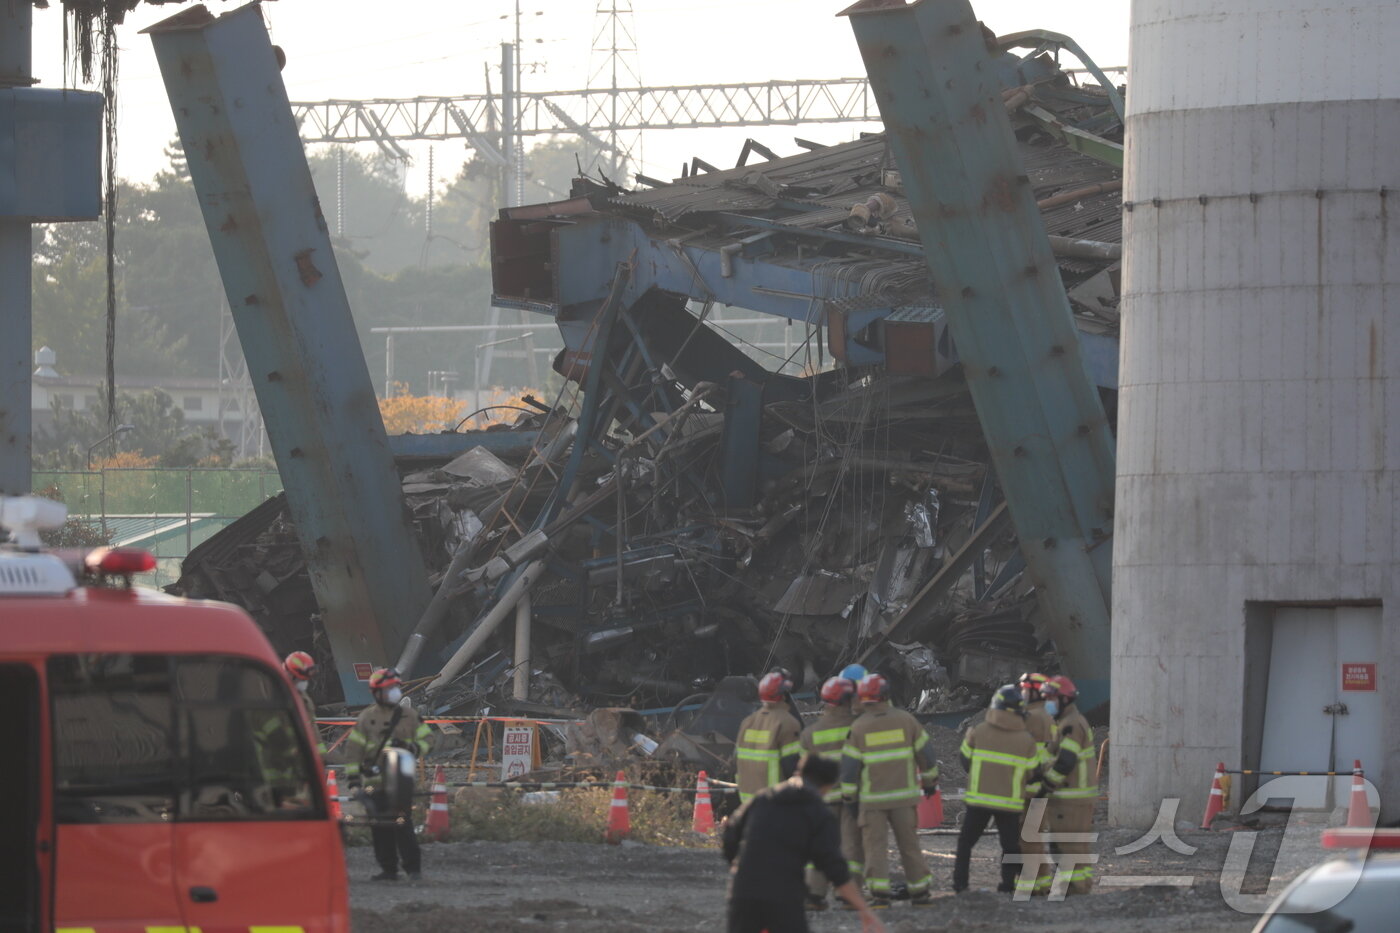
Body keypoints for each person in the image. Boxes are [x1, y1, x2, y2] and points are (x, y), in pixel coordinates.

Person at [723, 753, 886, 933]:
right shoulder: (819, 813)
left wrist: (744, 871)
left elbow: (730, 837)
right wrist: (864, 910)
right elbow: (833, 866)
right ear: (827, 786)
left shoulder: (762, 798)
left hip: (743, 891)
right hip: (784, 896)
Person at [839, 672, 939, 907]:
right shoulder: (906, 720)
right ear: (886, 695)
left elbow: (849, 769)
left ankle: (880, 896)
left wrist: (850, 798)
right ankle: (921, 894)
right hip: (904, 799)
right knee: (910, 846)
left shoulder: (859, 727)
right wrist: (929, 783)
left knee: (875, 848)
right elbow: (926, 755)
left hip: (873, 802)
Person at [345, 667, 433, 881]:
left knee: (403, 825)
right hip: (373, 783)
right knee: (379, 827)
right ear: (377, 693)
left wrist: (411, 748)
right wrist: (354, 782)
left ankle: (413, 870)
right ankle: (388, 870)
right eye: (389, 689)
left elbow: (429, 740)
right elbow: (353, 752)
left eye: (395, 687)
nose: (394, 692)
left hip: (400, 782)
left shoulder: (409, 715)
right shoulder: (367, 717)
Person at [953, 684, 1040, 895]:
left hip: (978, 801)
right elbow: (1034, 775)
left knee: (965, 844)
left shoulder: (979, 731)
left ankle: (960, 885)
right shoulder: (1027, 740)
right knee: (1010, 846)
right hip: (1009, 804)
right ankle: (1008, 886)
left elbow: (965, 761)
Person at [798, 676, 864, 910]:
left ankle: (814, 895)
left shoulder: (810, 733)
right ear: (849, 700)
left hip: (820, 800)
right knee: (851, 847)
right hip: (852, 798)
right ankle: (847, 895)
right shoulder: (859, 727)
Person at [1041, 675, 1098, 895]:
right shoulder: (1068, 722)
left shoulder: (1071, 724)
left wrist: (1045, 785)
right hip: (1073, 797)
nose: (1047, 702)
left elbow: (1065, 762)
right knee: (1073, 846)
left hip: (1070, 798)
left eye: (1050, 698)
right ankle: (1079, 886)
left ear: (1063, 699)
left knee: (1068, 846)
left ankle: (1075, 889)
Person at [735, 669, 803, 804]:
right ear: (784, 695)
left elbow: (736, 760)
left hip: (747, 801)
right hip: (775, 802)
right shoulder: (787, 723)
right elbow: (792, 766)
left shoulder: (747, 722)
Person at [1017, 672, 1054, 894]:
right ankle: (1041, 884)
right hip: (1042, 788)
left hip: (1030, 789)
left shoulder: (1030, 717)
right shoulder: (1047, 715)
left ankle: (1030, 885)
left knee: (1026, 838)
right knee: (1034, 838)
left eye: (1023, 689)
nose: (1021, 693)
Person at [283, 650, 325, 754]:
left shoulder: (302, 695)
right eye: (302, 680)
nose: (305, 683)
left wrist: (322, 755)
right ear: (290, 674)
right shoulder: (274, 692)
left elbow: (311, 725)